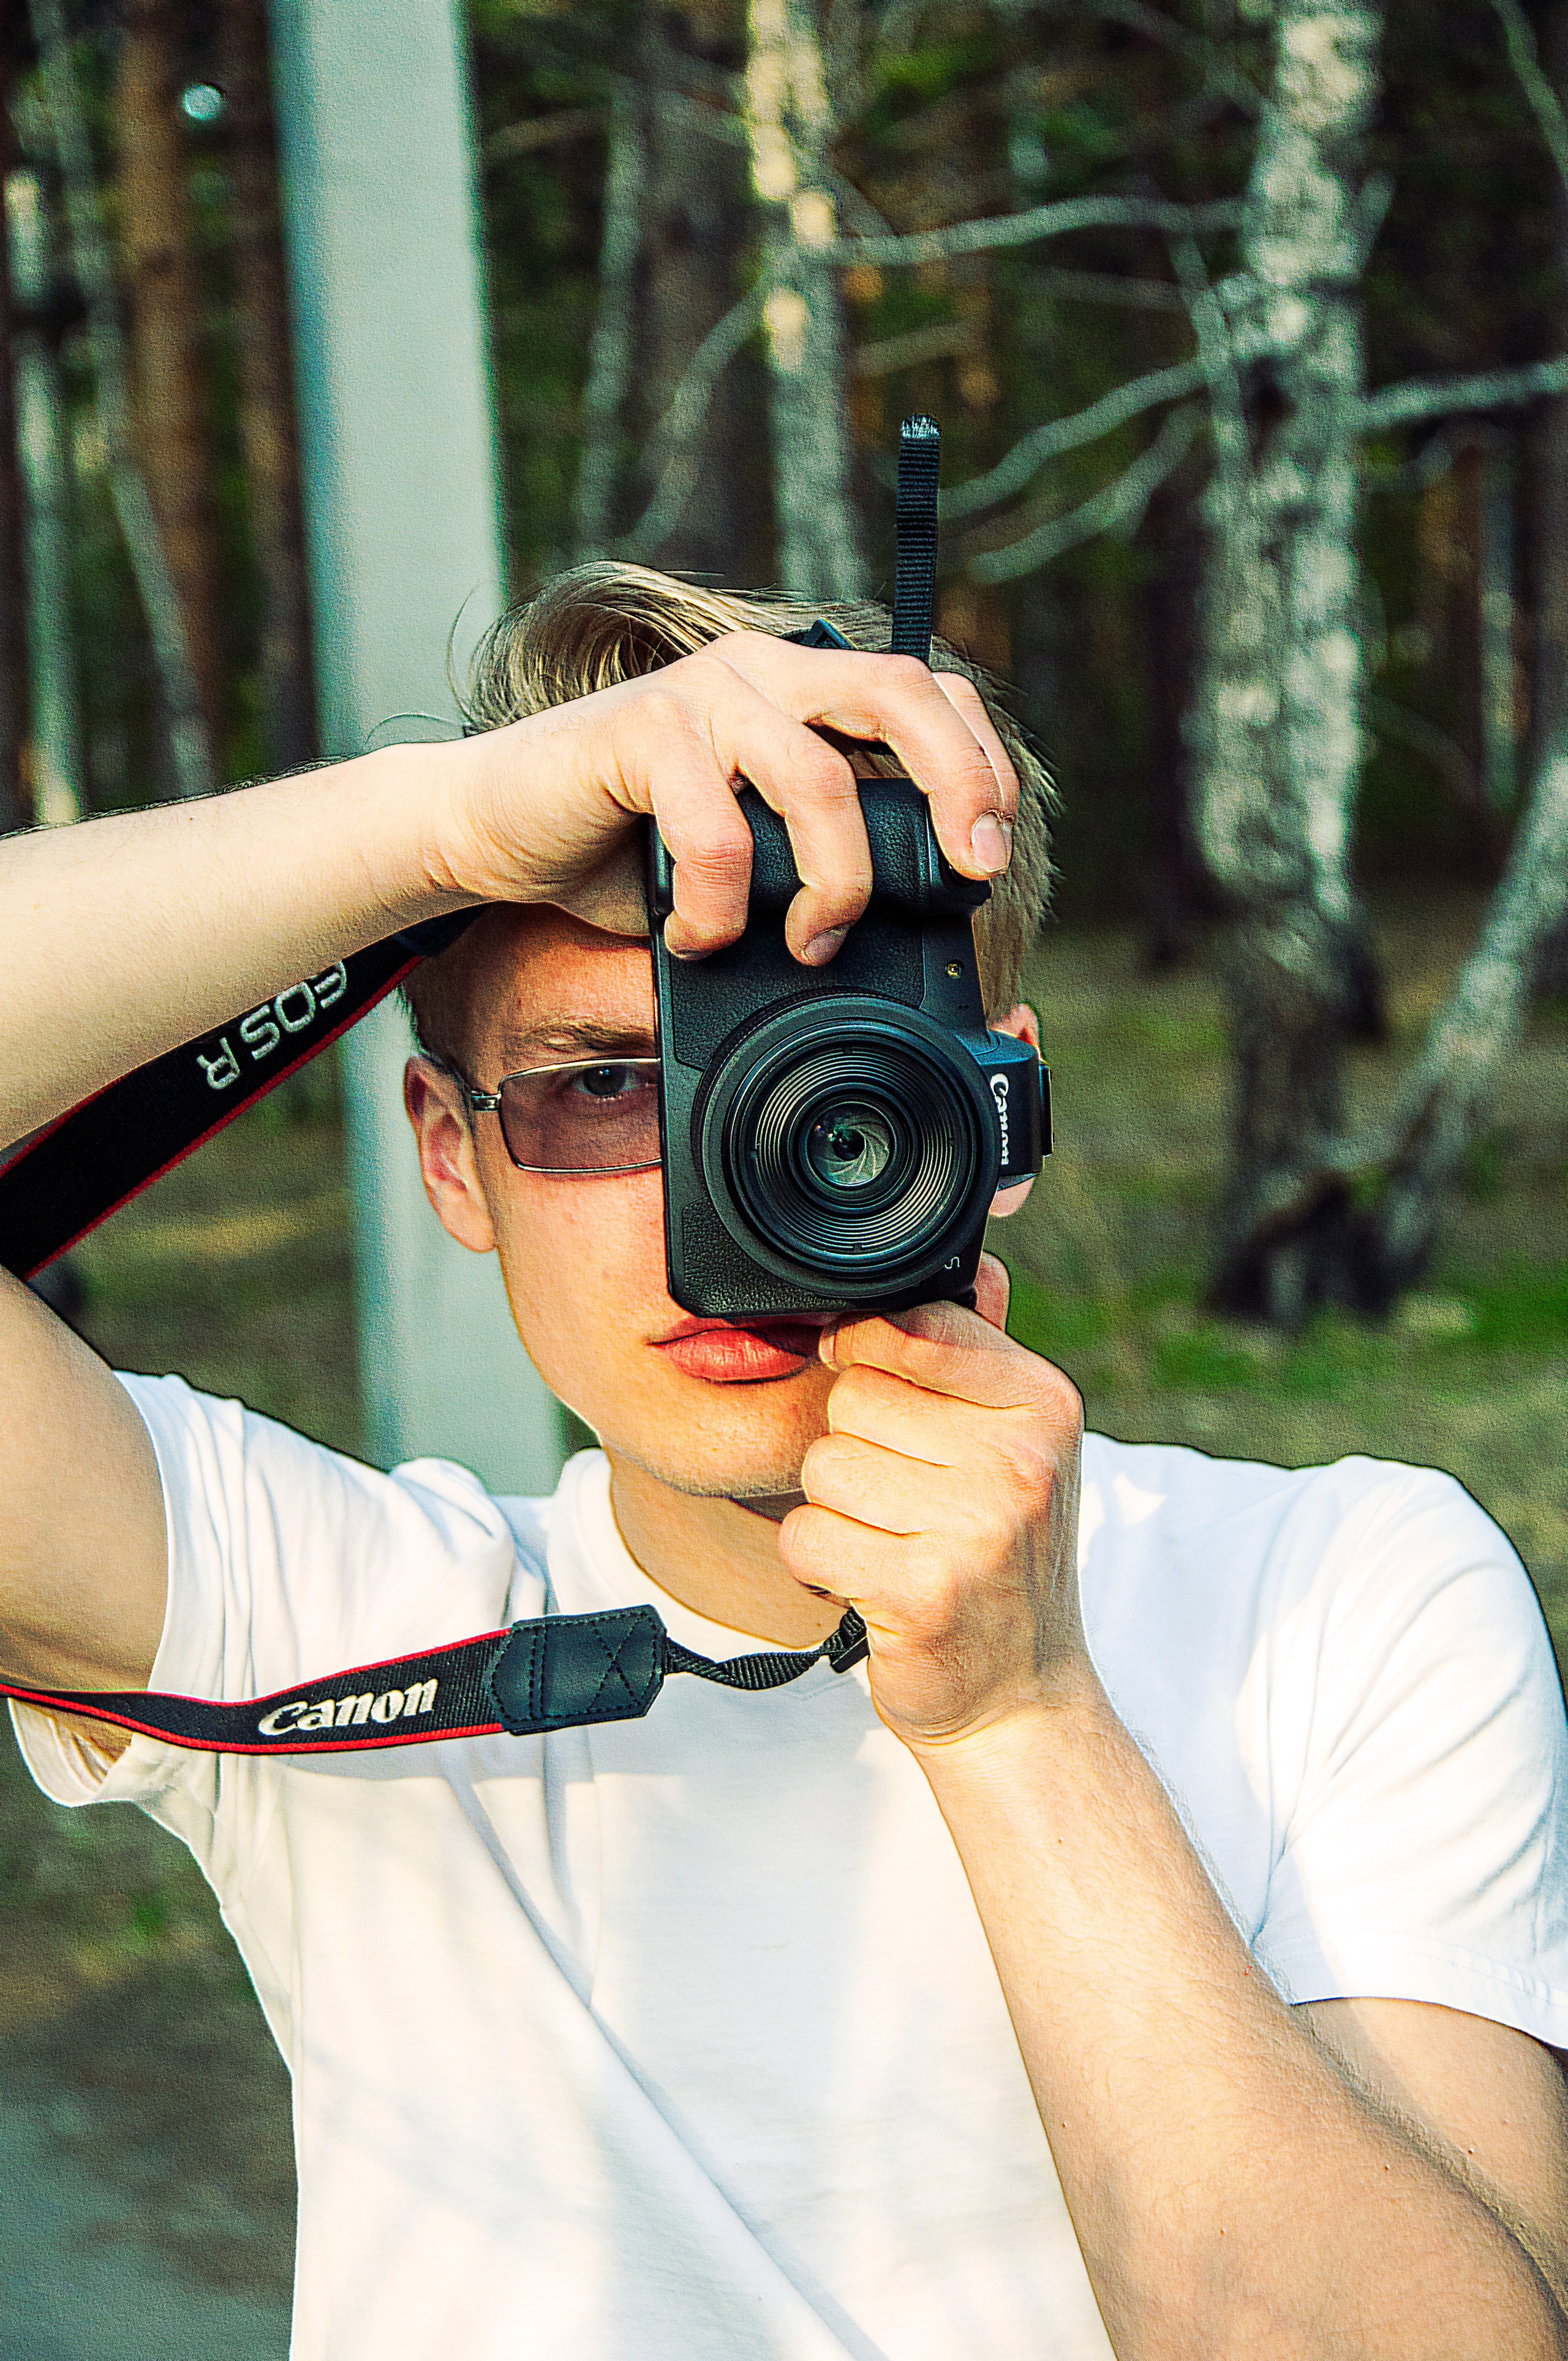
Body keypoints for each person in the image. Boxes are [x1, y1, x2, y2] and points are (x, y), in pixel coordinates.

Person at [2, 564, 1567, 2361]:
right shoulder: (325, 1632)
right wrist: (448, 829)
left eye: (819, 1069)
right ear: (451, 1156)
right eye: (605, 1086)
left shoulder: (1346, 1599)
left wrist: (1024, 1719)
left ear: (998, 1111)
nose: (717, 1196)